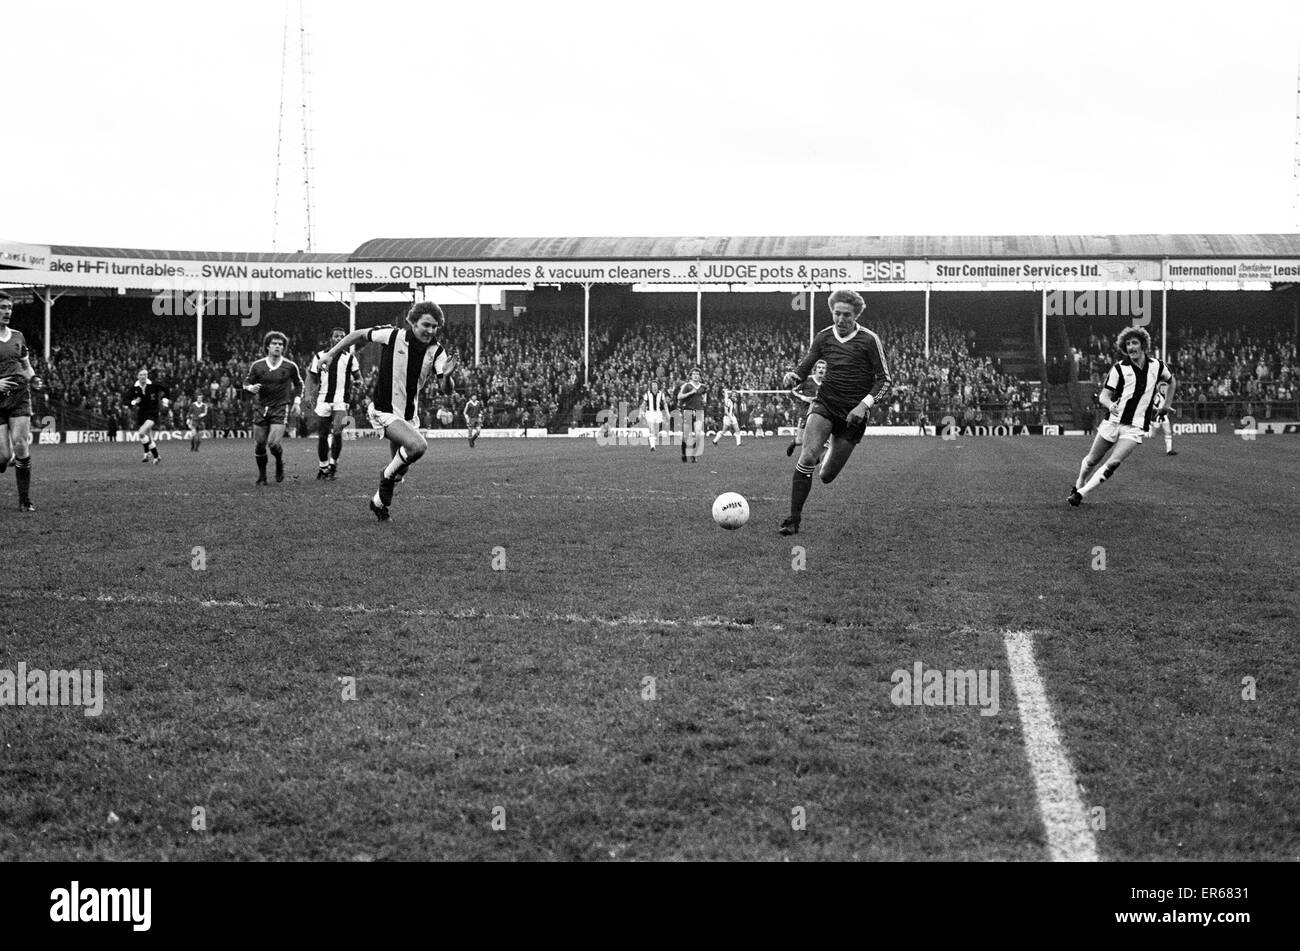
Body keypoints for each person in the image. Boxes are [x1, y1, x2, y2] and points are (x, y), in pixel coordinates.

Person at [317, 302, 458, 521]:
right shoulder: (392, 335)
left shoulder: (437, 351)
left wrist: (447, 376)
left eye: (435, 326)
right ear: (413, 322)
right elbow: (358, 334)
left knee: (400, 473)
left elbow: (445, 389)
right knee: (417, 446)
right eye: (426, 324)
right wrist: (331, 354)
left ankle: (378, 503)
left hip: (408, 416)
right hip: (384, 410)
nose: (430, 330)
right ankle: (385, 476)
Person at [778, 289, 891, 535]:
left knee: (826, 475)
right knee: (807, 457)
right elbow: (805, 365)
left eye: (846, 315)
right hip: (825, 404)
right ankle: (793, 519)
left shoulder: (869, 340)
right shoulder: (823, 337)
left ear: (856, 315)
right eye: (836, 314)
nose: (840, 320)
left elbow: (885, 380)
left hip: (853, 415)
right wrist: (794, 376)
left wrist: (863, 406)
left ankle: (824, 453)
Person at [1069, 326, 1175, 506]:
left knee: (1114, 462)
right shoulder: (1119, 368)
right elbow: (1104, 395)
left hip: (1135, 426)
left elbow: (1171, 381)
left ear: (1143, 345)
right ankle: (1079, 483)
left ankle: (1081, 494)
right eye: (1127, 344)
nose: (1131, 347)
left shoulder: (1157, 366)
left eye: (1134, 342)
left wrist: (1166, 405)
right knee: (1092, 460)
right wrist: (1110, 405)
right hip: (1113, 422)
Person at [0, 291, 43, 511]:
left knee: (21, 444)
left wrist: (33, 378)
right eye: (3, 307)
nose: (7, 311)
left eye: (9, 308)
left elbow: (26, 367)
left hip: (19, 396)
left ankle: (24, 500)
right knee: (4, 456)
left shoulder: (18, 336)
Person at [244, 331, 303, 485]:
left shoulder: (290, 366)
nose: (277, 346)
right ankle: (262, 476)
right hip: (261, 407)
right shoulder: (257, 366)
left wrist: (296, 402)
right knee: (260, 444)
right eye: (274, 344)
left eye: (280, 344)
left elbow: (299, 384)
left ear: (283, 347)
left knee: (273, 443)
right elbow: (245, 383)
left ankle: (278, 462)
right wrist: (250, 388)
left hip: (280, 407)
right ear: (268, 346)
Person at [309, 328, 362, 479]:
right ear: (330, 338)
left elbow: (358, 377)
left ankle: (333, 465)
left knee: (338, 433)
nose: (339, 338)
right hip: (323, 400)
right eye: (336, 336)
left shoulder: (350, 358)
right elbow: (313, 377)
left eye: (342, 337)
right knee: (322, 435)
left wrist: (358, 382)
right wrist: (313, 392)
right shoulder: (319, 356)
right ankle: (323, 467)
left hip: (341, 401)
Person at [786, 359, 828, 456]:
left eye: (823, 368)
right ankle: (794, 443)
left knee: (820, 439)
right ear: (815, 369)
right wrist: (804, 398)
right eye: (819, 367)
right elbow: (793, 391)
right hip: (805, 414)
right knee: (800, 441)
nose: (821, 370)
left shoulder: (827, 383)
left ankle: (816, 458)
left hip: (820, 414)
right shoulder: (807, 380)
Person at [128, 368, 169, 464]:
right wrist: (134, 402)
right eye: (141, 375)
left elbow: (166, 389)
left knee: (141, 432)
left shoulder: (153, 385)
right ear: (138, 376)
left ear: (147, 376)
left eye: (145, 375)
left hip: (153, 413)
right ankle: (156, 456)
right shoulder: (134, 388)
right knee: (149, 438)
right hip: (141, 414)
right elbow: (126, 399)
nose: (143, 376)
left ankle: (147, 453)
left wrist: (165, 400)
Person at [676, 367, 706, 463]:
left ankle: (693, 455)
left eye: (697, 374)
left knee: (698, 433)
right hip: (688, 411)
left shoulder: (703, 387)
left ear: (700, 376)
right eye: (694, 374)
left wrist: (704, 400)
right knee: (686, 435)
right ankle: (684, 454)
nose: (696, 375)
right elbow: (679, 396)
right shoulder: (687, 385)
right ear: (691, 376)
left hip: (699, 411)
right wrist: (690, 393)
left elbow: (704, 395)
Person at [1151, 380, 1177, 455]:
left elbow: (1166, 406)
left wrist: (1172, 409)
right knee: (1153, 435)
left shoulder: (1166, 396)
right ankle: (1145, 432)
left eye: (1165, 388)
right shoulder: (1158, 396)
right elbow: (1153, 406)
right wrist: (1158, 409)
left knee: (1168, 432)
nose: (1164, 389)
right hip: (1157, 416)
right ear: (1159, 388)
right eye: (1162, 388)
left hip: (1164, 416)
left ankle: (1169, 450)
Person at [641, 380, 668, 451]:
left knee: (656, 431)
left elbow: (665, 404)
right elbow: (644, 404)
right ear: (651, 386)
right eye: (653, 385)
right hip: (650, 413)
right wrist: (642, 413)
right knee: (652, 429)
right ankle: (652, 447)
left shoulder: (661, 394)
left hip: (658, 413)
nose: (654, 386)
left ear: (657, 386)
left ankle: (651, 441)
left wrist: (667, 413)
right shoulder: (647, 393)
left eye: (655, 385)